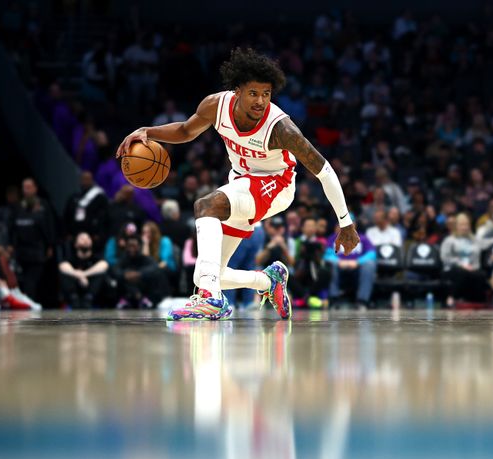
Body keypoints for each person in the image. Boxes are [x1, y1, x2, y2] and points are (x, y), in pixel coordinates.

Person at [117, 48, 360, 321]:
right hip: (242, 183)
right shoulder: (215, 106)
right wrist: (147, 131)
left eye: (266, 94)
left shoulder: (281, 129)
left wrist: (345, 222)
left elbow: (324, 170)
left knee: (206, 205)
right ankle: (269, 281)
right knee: (208, 275)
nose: (260, 101)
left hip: (276, 185)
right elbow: (186, 131)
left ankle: (212, 301)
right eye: (253, 93)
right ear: (237, 91)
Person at [58, 232, 109, 309]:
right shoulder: (71, 257)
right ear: (75, 244)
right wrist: (77, 275)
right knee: (65, 273)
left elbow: (104, 265)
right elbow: (62, 266)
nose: (85, 240)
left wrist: (84, 274)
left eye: (88, 238)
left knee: (101, 273)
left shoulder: (96, 257)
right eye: (82, 239)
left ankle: (89, 298)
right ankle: (74, 299)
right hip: (75, 289)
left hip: (91, 289)